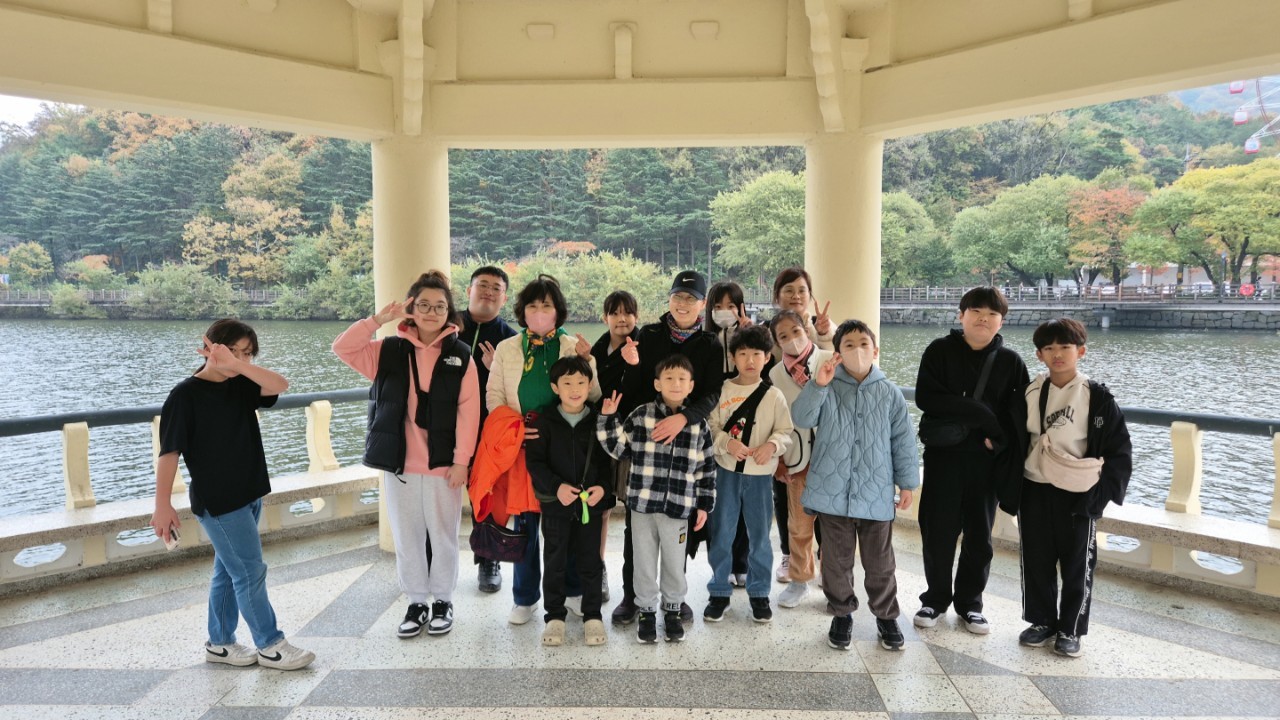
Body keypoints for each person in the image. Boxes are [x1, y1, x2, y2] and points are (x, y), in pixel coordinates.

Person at [150, 319, 315, 670]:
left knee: (229, 571)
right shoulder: (184, 395)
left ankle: (220, 643)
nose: (241, 359)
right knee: (250, 572)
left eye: (248, 353)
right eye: (233, 350)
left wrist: (236, 365)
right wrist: (162, 505)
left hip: (250, 492)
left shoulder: (241, 384)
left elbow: (280, 384)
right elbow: (169, 453)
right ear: (209, 347)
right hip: (220, 500)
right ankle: (270, 644)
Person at [332, 271, 481, 639]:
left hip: (443, 465)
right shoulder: (387, 350)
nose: (432, 312)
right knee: (407, 536)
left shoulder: (461, 356)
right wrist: (377, 321)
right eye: (424, 305)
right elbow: (343, 348)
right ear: (411, 308)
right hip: (399, 463)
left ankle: (443, 600)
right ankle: (416, 602)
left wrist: (461, 461)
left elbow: (469, 413)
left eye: (440, 306)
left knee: (443, 535)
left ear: (449, 312)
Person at [790, 319, 918, 651]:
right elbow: (801, 418)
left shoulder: (889, 392)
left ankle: (886, 616)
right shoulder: (826, 385)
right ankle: (841, 612)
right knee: (835, 562)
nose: (857, 350)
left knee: (881, 563)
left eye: (863, 344)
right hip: (832, 494)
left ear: (875, 350)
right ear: (837, 353)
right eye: (848, 345)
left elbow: (903, 441)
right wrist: (818, 384)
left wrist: (906, 483)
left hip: (876, 495)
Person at [1012, 317, 1131, 658]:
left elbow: (1119, 450)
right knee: (1036, 559)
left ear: (1081, 351)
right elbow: (1015, 438)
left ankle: (1071, 628)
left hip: (1078, 492)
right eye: (1048, 348)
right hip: (1035, 487)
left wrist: (1099, 498)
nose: (1057, 354)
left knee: (1078, 563)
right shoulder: (1031, 391)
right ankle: (1042, 621)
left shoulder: (1097, 397)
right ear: (1039, 355)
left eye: (1065, 346)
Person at [610, 269, 725, 625]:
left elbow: (712, 393)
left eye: (691, 299)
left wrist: (684, 419)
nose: (683, 304)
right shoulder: (649, 334)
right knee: (637, 526)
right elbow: (630, 388)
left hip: (685, 437)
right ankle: (633, 596)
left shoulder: (710, 344)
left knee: (680, 523)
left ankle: (674, 599)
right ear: (669, 299)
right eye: (678, 297)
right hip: (647, 440)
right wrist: (631, 366)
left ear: (703, 305)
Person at [914, 286, 1029, 635]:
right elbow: (926, 398)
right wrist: (982, 414)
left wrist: (998, 437)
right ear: (961, 315)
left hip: (985, 463)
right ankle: (935, 598)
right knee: (938, 532)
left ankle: (970, 604)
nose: (983, 318)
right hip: (943, 458)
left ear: (1001, 321)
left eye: (992, 314)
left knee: (979, 538)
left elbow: (1019, 415)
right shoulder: (939, 351)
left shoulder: (1011, 363)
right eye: (976, 311)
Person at [487, 274, 600, 626]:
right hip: (522, 450)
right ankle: (524, 597)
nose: (539, 312)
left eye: (546, 306)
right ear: (522, 311)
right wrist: (515, 429)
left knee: (568, 523)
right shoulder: (507, 348)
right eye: (533, 306)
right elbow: (494, 397)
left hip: (566, 453)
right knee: (525, 525)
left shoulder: (573, 346)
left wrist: (589, 362)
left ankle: (573, 591)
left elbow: (593, 396)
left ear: (558, 310)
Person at [598, 355, 716, 644]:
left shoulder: (698, 425)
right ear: (657, 384)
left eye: (682, 379)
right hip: (642, 506)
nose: (675, 384)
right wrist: (607, 418)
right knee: (644, 561)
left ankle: (673, 610)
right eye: (669, 378)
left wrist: (704, 504)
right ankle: (647, 611)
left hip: (679, 507)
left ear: (691, 386)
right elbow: (618, 449)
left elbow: (707, 468)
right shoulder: (641, 415)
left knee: (675, 563)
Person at [704, 324, 792, 624]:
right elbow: (710, 426)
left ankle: (759, 592)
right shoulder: (723, 390)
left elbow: (785, 431)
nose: (750, 360)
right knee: (721, 533)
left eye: (757, 354)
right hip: (725, 472)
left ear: (767, 357)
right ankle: (719, 590)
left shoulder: (774, 395)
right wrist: (726, 442)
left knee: (760, 536)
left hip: (760, 476)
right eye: (743, 354)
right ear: (733, 358)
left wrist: (772, 445)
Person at [525, 356, 615, 647]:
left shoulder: (598, 421)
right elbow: (535, 463)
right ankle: (554, 616)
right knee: (554, 561)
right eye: (567, 383)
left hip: (590, 506)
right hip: (556, 505)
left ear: (590, 386)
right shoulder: (544, 421)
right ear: (555, 387)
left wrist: (603, 489)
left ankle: (592, 615)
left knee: (591, 561)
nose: (574, 389)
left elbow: (608, 462)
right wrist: (557, 487)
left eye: (580, 382)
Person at [768, 267, 834, 584]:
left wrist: (824, 331)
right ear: (777, 295)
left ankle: (827, 563)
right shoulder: (771, 347)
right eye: (788, 290)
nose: (796, 296)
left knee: (830, 513)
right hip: (792, 447)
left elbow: (842, 358)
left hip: (826, 445)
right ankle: (794, 562)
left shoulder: (824, 334)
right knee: (792, 510)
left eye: (802, 290)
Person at [458, 265, 519, 595]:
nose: (489, 292)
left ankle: (488, 558)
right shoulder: (448, 325)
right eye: (483, 285)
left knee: (488, 495)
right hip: (445, 427)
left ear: (504, 298)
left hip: (487, 431)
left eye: (496, 288)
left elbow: (517, 391)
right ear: (469, 290)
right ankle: (429, 559)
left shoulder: (511, 340)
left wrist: (494, 369)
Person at [588, 289, 641, 603]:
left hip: (633, 437)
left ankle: (636, 583)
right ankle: (598, 570)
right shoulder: (596, 350)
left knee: (636, 510)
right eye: (615, 313)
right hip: (600, 434)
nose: (622, 319)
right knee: (602, 505)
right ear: (605, 317)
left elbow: (644, 389)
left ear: (636, 316)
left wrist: (634, 365)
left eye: (628, 312)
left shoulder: (643, 345)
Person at [703, 281, 756, 587]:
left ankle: (742, 562)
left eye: (731, 306)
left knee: (744, 499)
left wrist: (749, 335)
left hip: (747, 426)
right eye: (718, 306)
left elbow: (766, 373)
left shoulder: (753, 339)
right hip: (713, 425)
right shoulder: (704, 341)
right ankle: (719, 565)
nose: (724, 312)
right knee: (717, 502)